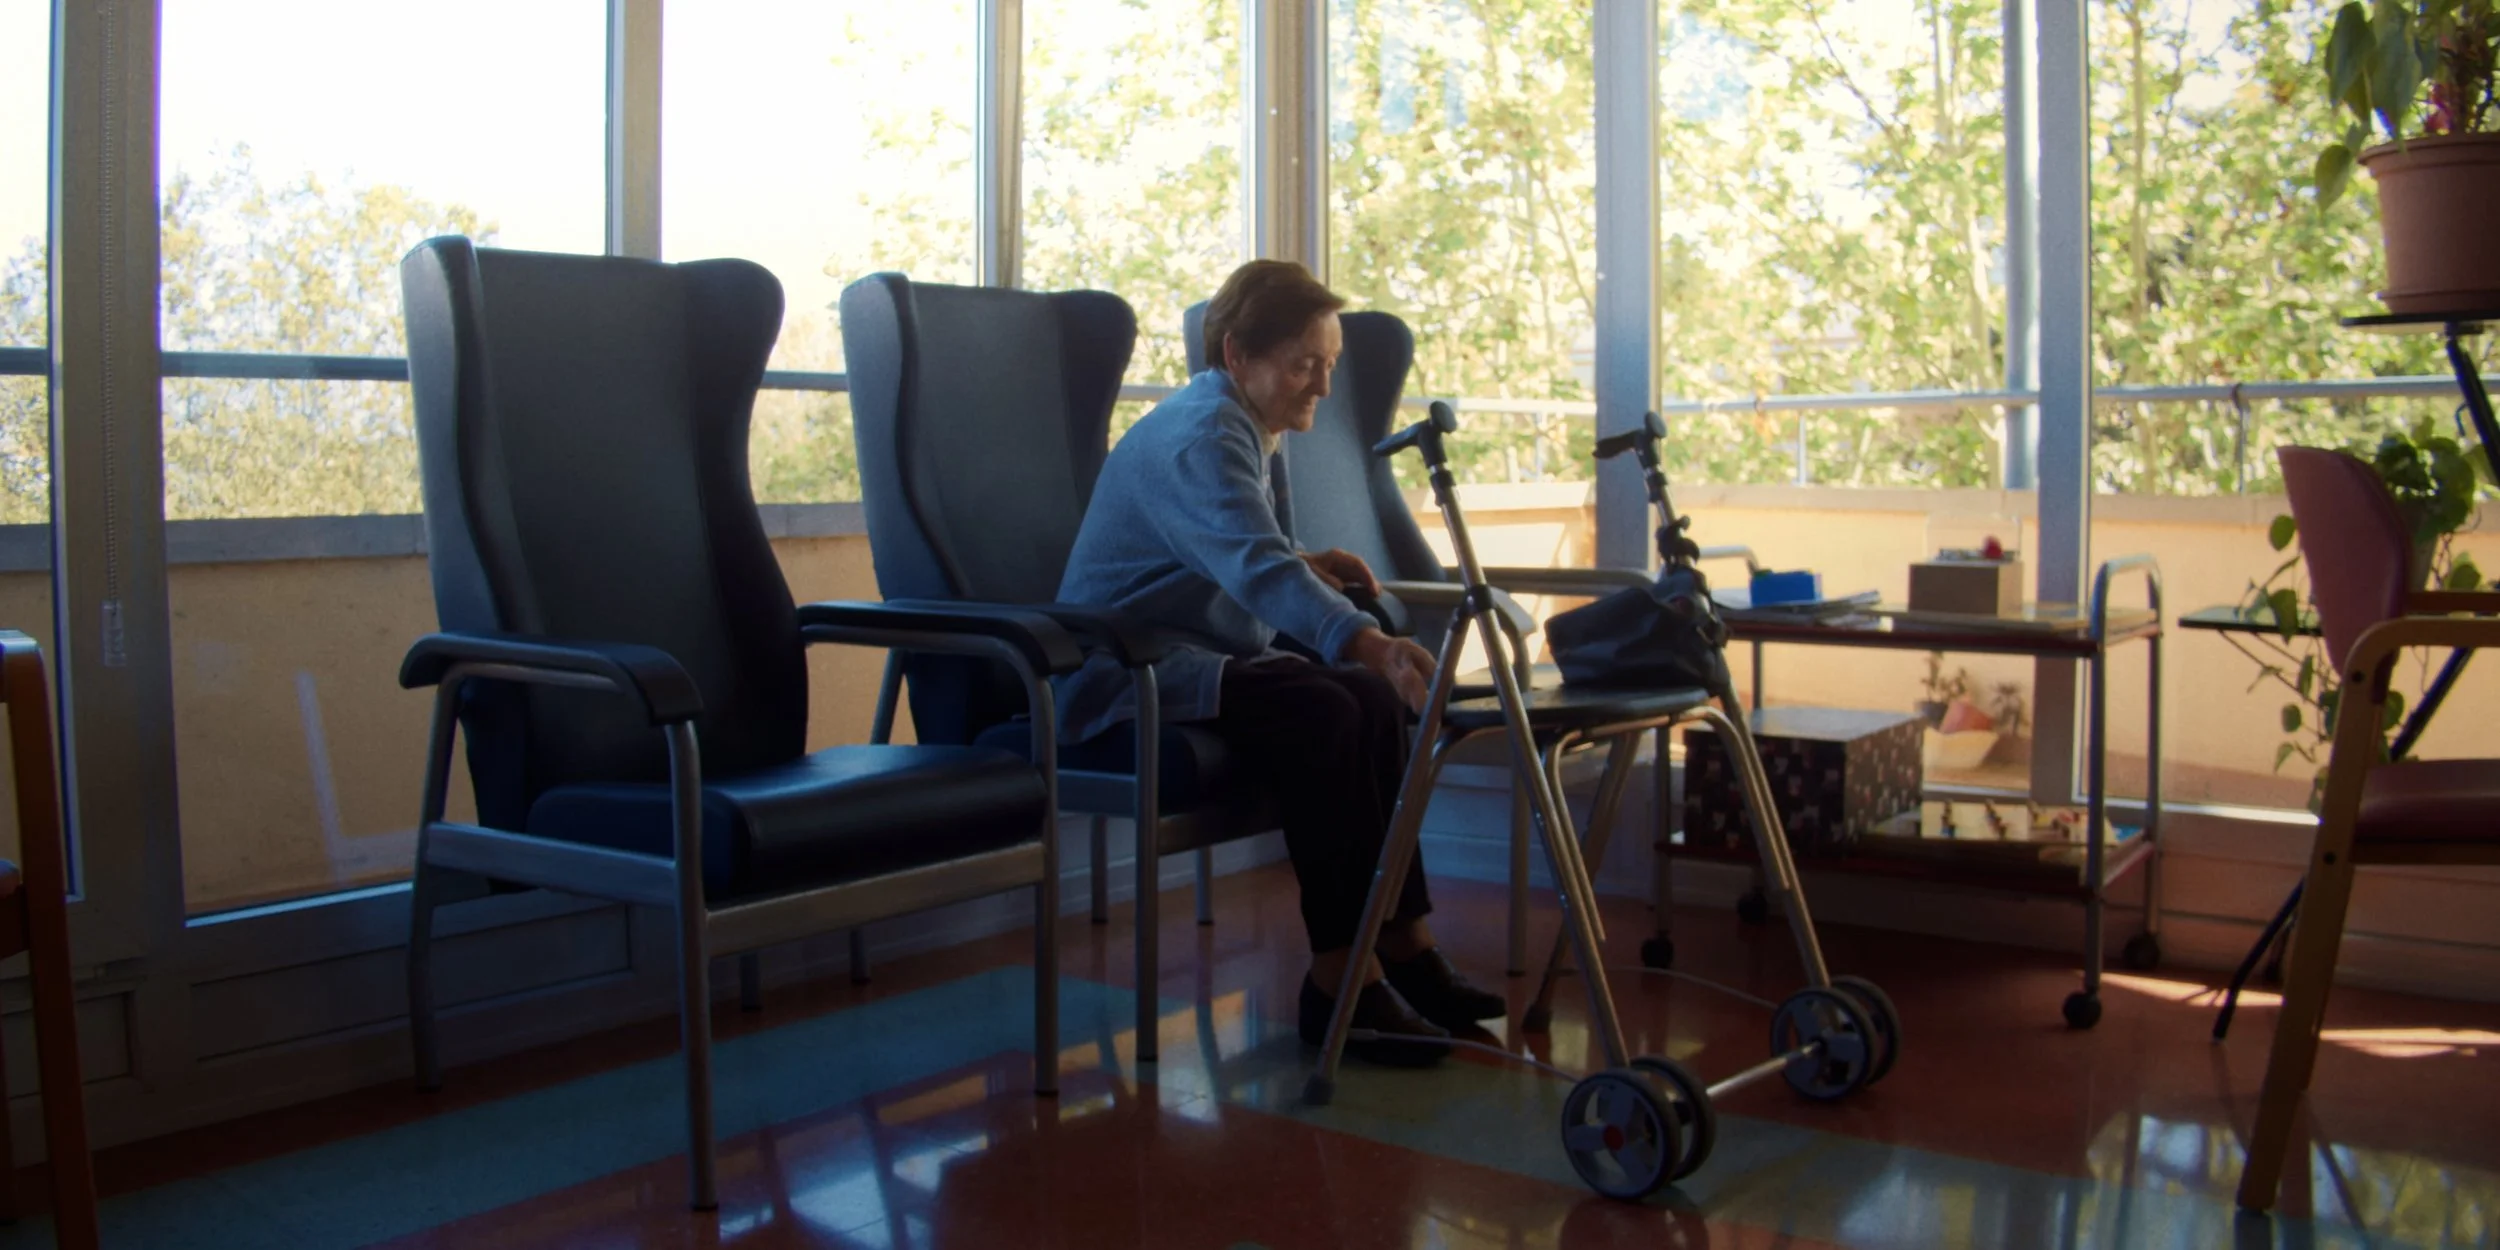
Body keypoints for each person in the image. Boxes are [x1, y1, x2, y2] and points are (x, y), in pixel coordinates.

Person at [1054, 259, 1503, 1067]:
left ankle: (1404, 942)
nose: (1323, 386)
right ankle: (1339, 983)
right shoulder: (1204, 434)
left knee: (1366, 700)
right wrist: (1365, 639)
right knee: (1329, 704)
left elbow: (1235, 548)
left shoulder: (1243, 421)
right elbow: (1255, 568)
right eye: (1306, 365)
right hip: (1126, 671)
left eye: (1329, 364)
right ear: (1238, 354)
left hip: (1191, 652)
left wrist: (1307, 560)